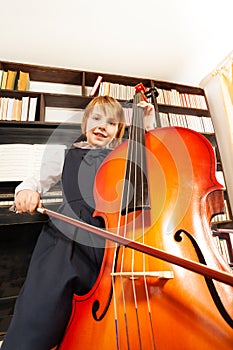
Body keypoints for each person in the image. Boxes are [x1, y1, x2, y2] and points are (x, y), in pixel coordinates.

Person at [2, 95, 155, 350]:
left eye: (110, 122)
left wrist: (145, 126)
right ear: (85, 124)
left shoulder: (124, 153)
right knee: (44, 300)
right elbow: (37, 179)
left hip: (110, 240)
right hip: (68, 237)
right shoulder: (67, 154)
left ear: (119, 130)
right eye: (96, 118)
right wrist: (25, 191)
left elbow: (146, 166)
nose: (101, 126)